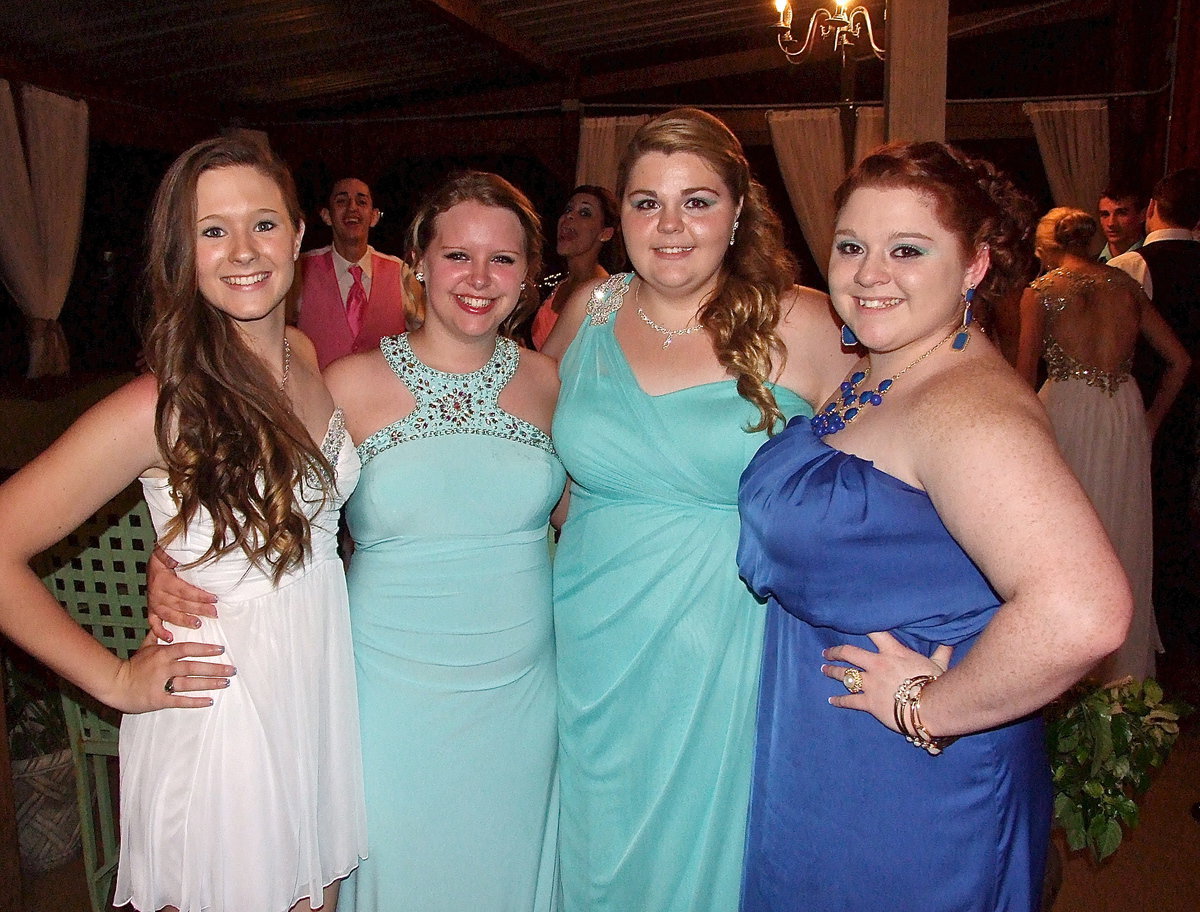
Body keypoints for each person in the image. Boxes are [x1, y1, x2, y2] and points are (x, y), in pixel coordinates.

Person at [149, 171, 564, 911]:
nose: (478, 278)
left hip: (526, 700)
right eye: (456, 254)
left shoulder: (550, 382)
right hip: (387, 697)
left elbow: (595, 513)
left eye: (502, 259)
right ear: (417, 261)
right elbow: (253, 500)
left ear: (529, 274)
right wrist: (171, 557)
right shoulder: (342, 381)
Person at [736, 142, 1131, 912]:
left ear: (976, 265)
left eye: (907, 250)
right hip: (830, 761)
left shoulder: (969, 408)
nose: (869, 272)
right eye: (852, 246)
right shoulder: (881, 366)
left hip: (911, 787)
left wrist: (930, 708)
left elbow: (1085, 611)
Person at [0, 135, 366, 912]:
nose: (242, 250)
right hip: (224, 709)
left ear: (300, 235)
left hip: (313, 687)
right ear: (183, 252)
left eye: (263, 224)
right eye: (212, 230)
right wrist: (114, 681)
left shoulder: (300, 352)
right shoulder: (161, 405)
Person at [540, 108, 852, 912]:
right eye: (647, 203)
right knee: (589, 840)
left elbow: (909, 465)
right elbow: (507, 442)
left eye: (697, 201)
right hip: (587, 637)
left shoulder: (809, 323)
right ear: (622, 216)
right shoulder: (589, 312)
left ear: (739, 209)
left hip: (728, 642)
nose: (670, 226)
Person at [1017, 207, 1189, 681]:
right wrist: (1150, 420)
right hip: (1122, 413)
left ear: (1051, 243)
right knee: (1120, 528)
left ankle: (1060, 665)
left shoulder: (1042, 292)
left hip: (1066, 410)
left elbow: (1022, 375)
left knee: (1064, 534)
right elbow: (1179, 360)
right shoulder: (1127, 287)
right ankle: (1120, 672)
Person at [1108, 168, 1200, 635]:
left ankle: (1144, 609)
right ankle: (1174, 611)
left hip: (1141, 402)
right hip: (1188, 406)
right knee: (1175, 501)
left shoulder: (1132, 267)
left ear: (1150, 210)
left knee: (1137, 508)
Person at [298, 177, 409, 369]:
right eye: (341, 201)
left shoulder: (399, 271)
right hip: (320, 396)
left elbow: (428, 333)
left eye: (362, 201)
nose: (352, 208)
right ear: (326, 215)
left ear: (374, 216)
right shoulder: (301, 270)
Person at [529, 185, 621, 349]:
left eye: (584, 213)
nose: (569, 216)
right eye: (568, 209)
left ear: (605, 233)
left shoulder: (605, 294)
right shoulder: (560, 286)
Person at [1097, 181, 1148, 263]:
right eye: (1105, 215)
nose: (1111, 223)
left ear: (1142, 215)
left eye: (1121, 213)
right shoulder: (1089, 264)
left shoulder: (1153, 263)